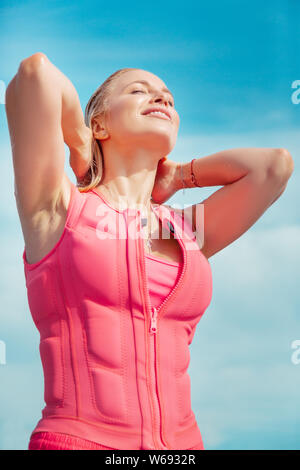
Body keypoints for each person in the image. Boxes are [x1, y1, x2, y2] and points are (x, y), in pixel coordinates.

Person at [5, 53, 294, 451]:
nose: (162, 100)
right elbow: (35, 75)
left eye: (169, 99)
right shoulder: (59, 210)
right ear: (100, 124)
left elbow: (274, 167)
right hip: (79, 441)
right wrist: (78, 141)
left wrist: (179, 176)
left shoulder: (190, 231)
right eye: (140, 91)